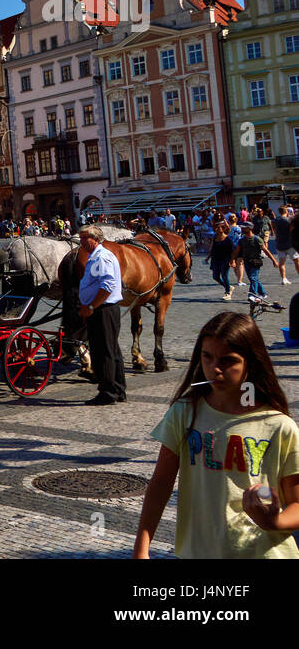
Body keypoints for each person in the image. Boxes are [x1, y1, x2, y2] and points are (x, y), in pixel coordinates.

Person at [133, 312, 299, 559]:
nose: (215, 369)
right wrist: (141, 549)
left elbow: (296, 505)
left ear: (251, 363)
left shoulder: (279, 426)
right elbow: (160, 485)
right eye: (207, 357)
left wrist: (272, 521)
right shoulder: (184, 414)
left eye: (228, 360)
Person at [77, 225, 127, 403]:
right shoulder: (95, 256)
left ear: (96, 239)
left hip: (102, 309)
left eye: (84, 238)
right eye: (80, 238)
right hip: (102, 308)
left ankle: (107, 393)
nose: (81, 242)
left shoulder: (101, 257)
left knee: (102, 351)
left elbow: (107, 286)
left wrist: (90, 306)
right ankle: (118, 390)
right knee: (112, 350)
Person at [233, 221, 276, 300]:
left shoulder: (257, 239)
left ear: (249, 229)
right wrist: (232, 260)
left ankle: (252, 295)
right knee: (254, 278)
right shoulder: (242, 240)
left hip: (256, 261)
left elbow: (266, 250)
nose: (241, 229)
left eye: (243, 228)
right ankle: (263, 293)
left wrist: (274, 260)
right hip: (246, 262)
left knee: (253, 278)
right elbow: (237, 250)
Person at [209, 223, 235, 300]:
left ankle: (227, 293)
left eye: (218, 227)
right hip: (215, 259)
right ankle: (228, 287)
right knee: (215, 276)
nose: (217, 229)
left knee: (224, 275)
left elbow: (233, 251)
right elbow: (212, 249)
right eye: (216, 227)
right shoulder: (215, 237)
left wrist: (232, 261)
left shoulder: (228, 239)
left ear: (223, 229)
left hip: (225, 260)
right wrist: (208, 258)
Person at [273, 206, 296, 286]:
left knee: (281, 262)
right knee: (296, 262)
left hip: (280, 243)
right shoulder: (289, 220)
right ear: (286, 211)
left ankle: (284, 278)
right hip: (290, 243)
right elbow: (291, 230)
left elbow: (275, 230)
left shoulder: (276, 220)